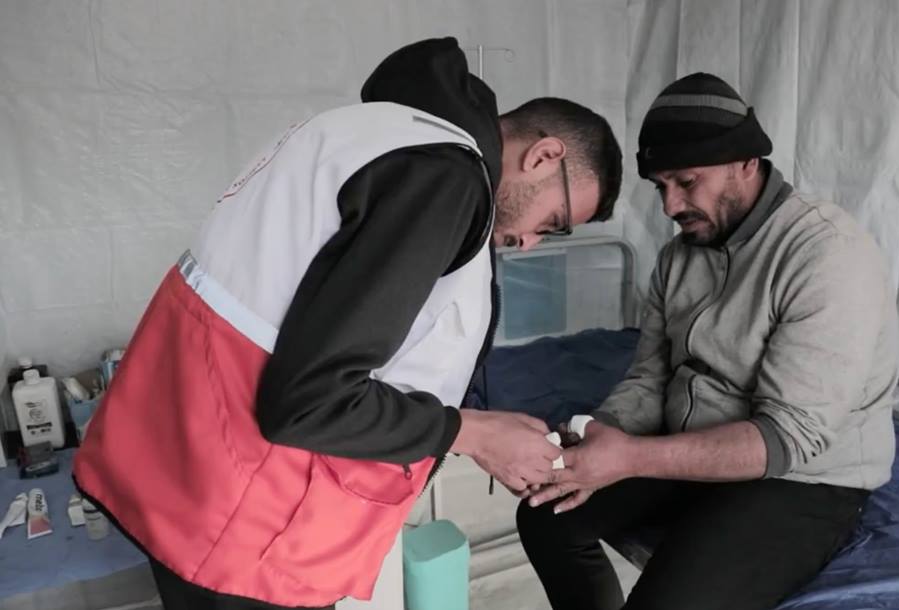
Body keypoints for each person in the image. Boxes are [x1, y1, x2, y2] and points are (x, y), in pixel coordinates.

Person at [73, 37, 622, 610]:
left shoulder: (370, 134)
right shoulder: (445, 177)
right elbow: (310, 401)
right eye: (554, 222)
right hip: (245, 522)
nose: (530, 243)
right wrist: (473, 434)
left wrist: (473, 429)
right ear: (544, 156)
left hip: (183, 469)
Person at [517, 73, 899, 610]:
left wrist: (629, 458)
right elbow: (651, 375)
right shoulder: (679, 257)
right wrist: (601, 435)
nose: (670, 206)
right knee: (545, 513)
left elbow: (786, 438)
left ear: (746, 163)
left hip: (800, 478)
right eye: (660, 186)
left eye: (686, 181)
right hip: (688, 444)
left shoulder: (825, 254)